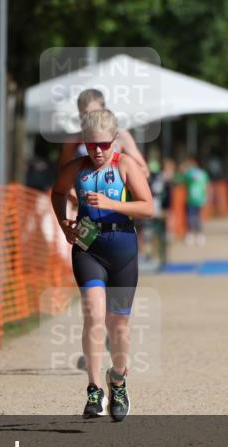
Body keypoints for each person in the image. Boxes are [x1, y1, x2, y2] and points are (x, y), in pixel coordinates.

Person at [51, 109, 153, 422]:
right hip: (88, 248)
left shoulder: (125, 165)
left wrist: (112, 205)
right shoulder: (76, 168)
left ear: (114, 141)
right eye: (90, 145)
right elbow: (57, 192)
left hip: (122, 248)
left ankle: (118, 380)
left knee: (118, 325)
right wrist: (65, 223)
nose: (97, 151)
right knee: (93, 316)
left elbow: (148, 207)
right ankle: (94, 389)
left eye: (103, 145)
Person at [177, 157, 209, 245]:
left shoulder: (190, 173)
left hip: (193, 199)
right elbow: (206, 186)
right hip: (197, 199)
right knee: (197, 218)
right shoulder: (203, 173)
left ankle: (193, 235)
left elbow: (183, 176)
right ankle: (198, 235)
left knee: (192, 218)